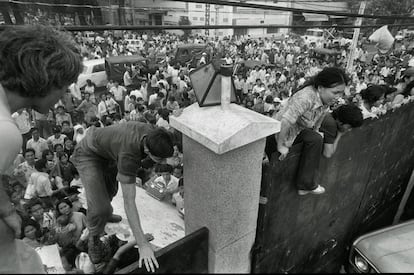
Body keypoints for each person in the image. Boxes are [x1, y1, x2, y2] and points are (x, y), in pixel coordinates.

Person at [0, 24, 82, 273]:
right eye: (65, 85)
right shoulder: (6, 132)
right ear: (47, 78)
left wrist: (5, 208)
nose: (66, 94)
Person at [71, 122, 174, 272]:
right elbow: (129, 202)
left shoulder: (154, 134)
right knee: (100, 208)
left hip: (109, 152)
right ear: (146, 149)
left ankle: (105, 215)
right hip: (88, 154)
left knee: (110, 192)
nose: (165, 163)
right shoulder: (129, 155)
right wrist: (143, 244)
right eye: (160, 159)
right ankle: (93, 236)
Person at [265, 67, 348, 196]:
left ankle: (305, 184)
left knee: (316, 139)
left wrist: (315, 130)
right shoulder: (306, 97)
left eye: (341, 93)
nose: (338, 97)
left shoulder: (325, 99)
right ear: (320, 88)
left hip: (297, 131)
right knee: (273, 173)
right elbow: (285, 121)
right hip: (278, 133)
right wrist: (280, 145)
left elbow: (321, 115)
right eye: (335, 92)